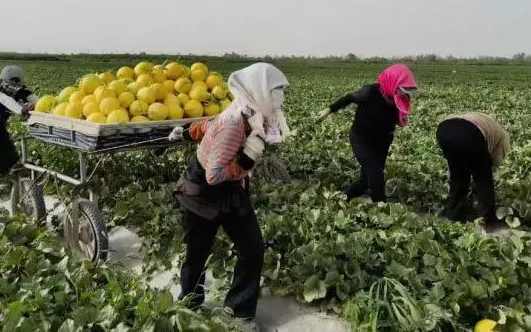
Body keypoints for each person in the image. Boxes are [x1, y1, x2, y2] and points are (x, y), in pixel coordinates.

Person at [169, 62, 290, 323]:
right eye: (274, 91)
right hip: (203, 191)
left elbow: (209, 125)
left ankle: (240, 313)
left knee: (253, 248)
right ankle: (189, 306)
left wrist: (188, 132)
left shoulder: (249, 110)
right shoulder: (234, 122)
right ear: (258, 90)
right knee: (197, 253)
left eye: (279, 91)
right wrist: (246, 162)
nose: (278, 97)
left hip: (233, 190)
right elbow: (214, 175)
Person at [316, 64, 417, 202]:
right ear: (392, 82)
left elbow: (401, 118)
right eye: (402, 90)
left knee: (367, 179)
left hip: (383, 140)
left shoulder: (399, 98)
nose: (404, 94)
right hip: (361, 139)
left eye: (407, 91)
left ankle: (343, 197)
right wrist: (327, 111)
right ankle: (381, 206)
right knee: (376, 172)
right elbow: (348, 98)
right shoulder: (369, 92)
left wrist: (404, 123)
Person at [436, 112, 509, 230]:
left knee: (458, 177)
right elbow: (495, 160)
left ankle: (453, 215)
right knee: (483, 179)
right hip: (469, 133)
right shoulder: (502, 137)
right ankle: (486, 220)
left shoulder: (489, 124)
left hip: (444, 130)